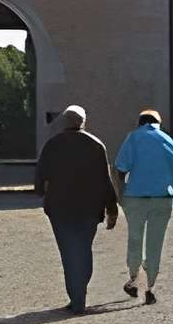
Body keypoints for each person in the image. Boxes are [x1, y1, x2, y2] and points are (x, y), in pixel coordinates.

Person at [32, 102, 119, 311]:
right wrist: (112, 208)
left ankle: (76, 296)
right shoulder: (96, 145)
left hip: (60, 208)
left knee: (68, 252)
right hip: (89, 208)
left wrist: (41, 192)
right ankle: (80, 294)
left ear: (65, 121)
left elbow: (40, 176)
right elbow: (104, 180)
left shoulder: (53, 144)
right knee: (83, 249)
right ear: (83, 122)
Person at [112, 107, 173, 305]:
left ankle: (134, 279)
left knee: (135, 238)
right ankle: (151, 285)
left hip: (135, 196)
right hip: (162, 197)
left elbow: (120, 168)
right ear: (158, 123)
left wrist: (122, 192)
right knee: (156, 241)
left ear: (140, 122)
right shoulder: (167, 140)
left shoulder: (133, 138)